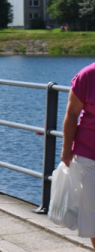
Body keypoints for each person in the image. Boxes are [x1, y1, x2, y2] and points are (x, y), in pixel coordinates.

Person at [62, 62, 95, 247]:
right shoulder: (88, 75)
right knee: (93, 213)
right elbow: (72, 113)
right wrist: (66, 150)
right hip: (89, 155)